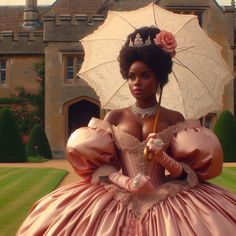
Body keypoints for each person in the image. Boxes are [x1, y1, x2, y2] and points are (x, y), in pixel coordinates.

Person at [17, 27, 236, 236]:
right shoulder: (114, 117)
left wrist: (163, 157)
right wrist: (127, 183)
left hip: (165, 198)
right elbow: (104, 168)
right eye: (131, 76)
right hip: (119, 196)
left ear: (159, 77)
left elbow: (185, 174)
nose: (136, 83)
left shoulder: (173, 118)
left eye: (145, 75)